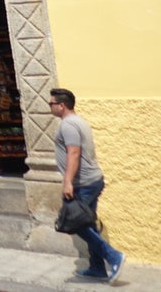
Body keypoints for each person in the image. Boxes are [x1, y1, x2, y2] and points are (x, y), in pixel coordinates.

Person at [50, 88, 126, 282]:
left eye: (51, 103)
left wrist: (67, 182)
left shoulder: (68, 125)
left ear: (61, 105)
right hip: (92, 180)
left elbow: (73, 153)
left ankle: (113, 256)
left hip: (82, 184)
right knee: (88, 224)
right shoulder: (79, 121)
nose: (50, 106)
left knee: (75, 223)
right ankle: (97, 267)